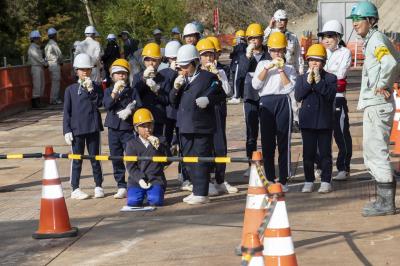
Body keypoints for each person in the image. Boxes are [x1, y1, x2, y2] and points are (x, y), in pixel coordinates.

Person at [347, 1, 400, 216]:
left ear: (371, 20)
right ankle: (383, 201)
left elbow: (390, 63)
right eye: (354, 20)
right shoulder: (376, 40)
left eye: (359, 20)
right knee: (372, 153)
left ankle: (386, 204)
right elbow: (396, 60)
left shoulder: (376, 40)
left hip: (377, 105)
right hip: (375, 105)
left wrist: (382, 84)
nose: (355, 24)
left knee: (376, 153)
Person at [169, 44, 226, 204]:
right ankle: (196, 189)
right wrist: (175, 88)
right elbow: (172, 102)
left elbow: (221, 94)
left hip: (201, 125)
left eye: (186, 66)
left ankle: (202, 192)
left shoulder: (207, 77)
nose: (184, 69)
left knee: (201, 158)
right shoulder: (181, 80)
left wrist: (209, 99)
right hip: (185, 125)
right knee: (188, 159)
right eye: (181, 66)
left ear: (195, 62)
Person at [252, 32, 297, 192]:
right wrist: (267, 68)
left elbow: (290, 88)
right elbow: (256, 85)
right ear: (269, 50)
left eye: (280, 50)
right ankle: (270, 178)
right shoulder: (262, 64)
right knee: (267, 143)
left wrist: (280, 70)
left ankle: (284, 178)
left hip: (283, 101)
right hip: (266, 102)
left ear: (284, 51)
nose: (277, 54)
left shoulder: (289, 68)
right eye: (274, 50)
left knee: (284, 142)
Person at [196, 39, 238, 195]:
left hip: (218, 111)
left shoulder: (220, 71)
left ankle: (220, 180)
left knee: (220, 147)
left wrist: (217, 76)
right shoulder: (198, 74)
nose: (209, 58)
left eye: (211, 55)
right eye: (205, 55)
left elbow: (227, 91)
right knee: (205, 146)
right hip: (203, 113)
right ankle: (207, 181)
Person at [294, 44, 337, 193]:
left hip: (324, 121)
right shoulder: (300, 79)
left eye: (318, 60)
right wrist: (308, 82)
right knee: (308, 153)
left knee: (325, 153)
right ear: (307, 61)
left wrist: (319, 82)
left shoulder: (331, 78)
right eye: (312, 60)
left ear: (323, 62)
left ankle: (326, 180)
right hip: (307, 121)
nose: (314, 63)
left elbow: (330, 95)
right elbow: (298, 95)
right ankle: (308, 180)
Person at [63, 53, 104, 200]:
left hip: (93, 128)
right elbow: (66, 112)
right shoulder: (70, 90)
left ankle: (98, 185)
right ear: (76, 71)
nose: (85, 72)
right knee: (77, 159)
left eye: (87, 69)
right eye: (81, 69)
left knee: (95, 158)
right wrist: (66, 130)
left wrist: (92, 90)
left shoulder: (97, 87)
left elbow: (99, 103)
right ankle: (75, 187)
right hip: (77, 129)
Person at [317, 20, 353, 181]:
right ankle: (320, 166)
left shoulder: (345, 52)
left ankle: (343, 167)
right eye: (324, 36)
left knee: (340, 133)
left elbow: (340, 75)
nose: (326, 39)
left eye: (330, 36)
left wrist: (324, 78)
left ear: (338, 37)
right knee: (320, 133)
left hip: (338, 98)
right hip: (320, 98)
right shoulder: (318, 51)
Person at [237, 23, 272, 176]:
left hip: (265, 95)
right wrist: (246, 57)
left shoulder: (269, 54)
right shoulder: (243, 55)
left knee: (267, 131)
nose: (254, 41)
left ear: (261, 39)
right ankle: (251, 163)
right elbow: (240, 74)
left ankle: (267, 163)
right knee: (251, 131)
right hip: (250, 96)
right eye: (250, 39)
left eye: (256, 38)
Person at [264, 9, 304, 132]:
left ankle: (295, 121)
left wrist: (300, 69)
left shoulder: (292, 37)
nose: (281, 23)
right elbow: (262, 41)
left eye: (284, 20)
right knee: (278, 95)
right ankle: (278, 120)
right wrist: (269, 27)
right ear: (274, 21)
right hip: (275, 69)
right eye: (279, 20)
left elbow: (297, 54)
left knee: (293, 96)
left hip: (290, 68)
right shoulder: (270, 34)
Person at [103, 59, 137, 199]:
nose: (121, 76)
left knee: (131, 157)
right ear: (112, 76)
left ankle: (134, 182)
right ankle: (121, 185)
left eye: (123, 73)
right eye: (118, 74)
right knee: (116, 157)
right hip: (113, 128)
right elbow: (107, 105)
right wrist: (115, 92)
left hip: (128, 127)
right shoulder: (109, 90)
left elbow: (139, 104)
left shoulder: (132, 90)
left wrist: (130, 109)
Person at [126, 108, 171, 207]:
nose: (147, 129)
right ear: (136, 128)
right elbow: (131, 167)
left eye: (150, 125)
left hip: (155, 178)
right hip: (137, 181)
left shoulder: (161, 140)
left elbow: (168, 161)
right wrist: (140, 179)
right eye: (143, 126)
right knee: (133, 202)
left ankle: (153, 193)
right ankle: (143, 193)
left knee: (156, 201)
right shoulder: (131, 144)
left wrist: (159, 147)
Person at [132, 43, 171, 137]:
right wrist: (144, 79)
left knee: (158, 147)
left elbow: (167, 100)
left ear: (160, 61)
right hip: (141, 118)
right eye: (147, 59)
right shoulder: (137, 77)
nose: (151, 63)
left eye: (154, 60)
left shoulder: (164, 78)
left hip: (158, 118)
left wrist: (157, 91)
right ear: (143, 61)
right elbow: (134, 95)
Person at [28, 30, 48, 108]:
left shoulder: (37, 47)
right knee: (37, 85)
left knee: (41, 84)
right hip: (35, 67)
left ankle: (39, 101)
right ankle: (35, 102)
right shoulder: (32, 48)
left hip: (39, 67)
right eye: (38, 38)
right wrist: (45, 63)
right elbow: (38, 58)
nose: (39, 40)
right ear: (34, 39)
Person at [45, 27, 63, 105]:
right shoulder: (53, 44)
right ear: (54, 35)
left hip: (50, 64)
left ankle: (53, 99)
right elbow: (59, 54)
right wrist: (61, 62)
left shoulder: (47, 44)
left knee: (54, 82)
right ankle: (54, 99)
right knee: (56, 82)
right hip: (55, 64)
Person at [229, 30, 247, 104]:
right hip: (240, 65)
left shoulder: (239, 46)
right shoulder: (246, 46)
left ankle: (236, 96)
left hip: (237, 65)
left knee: (236, 81)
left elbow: (232, 55)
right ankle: (241, 95)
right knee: (241, 81)